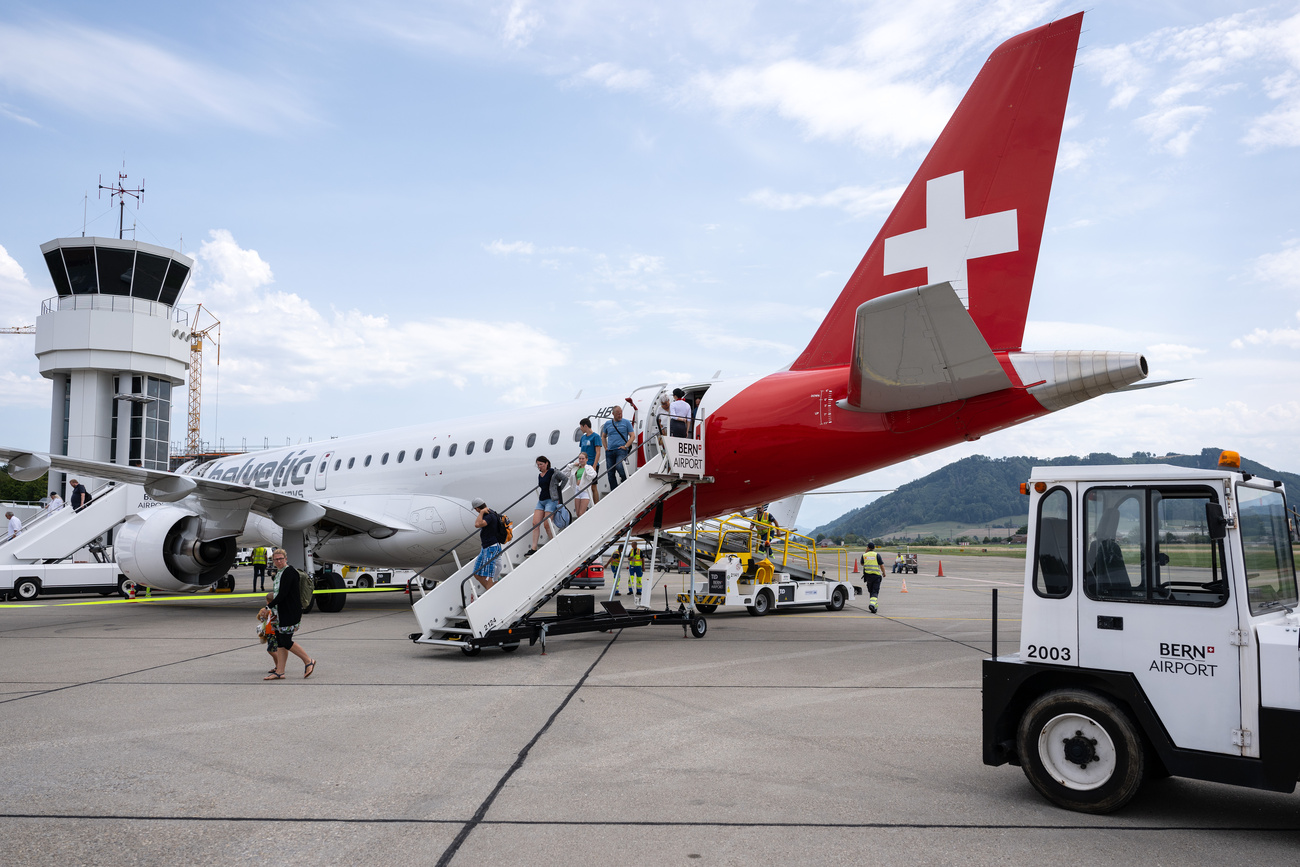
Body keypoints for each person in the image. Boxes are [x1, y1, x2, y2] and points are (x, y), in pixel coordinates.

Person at [260, 548, 316, 680]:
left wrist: (268, 606)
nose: (278, 561)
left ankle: (308, 661)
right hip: (279, 613)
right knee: (280, 641)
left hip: (290, 612)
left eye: (281, 559)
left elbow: (283, 594)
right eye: (276, 559)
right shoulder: (278, 573)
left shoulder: (290, 572)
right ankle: (280, 671)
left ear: (285, 559)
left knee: (286, 640)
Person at [527, 456, 563, 554]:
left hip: (551, 500)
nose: (539, 466)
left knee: (547, 525)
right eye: (538, 465)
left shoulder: (552, 472)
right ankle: (533, 548)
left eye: (541, 464)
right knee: (535, 523)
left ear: (546, 463)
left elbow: (564, 478)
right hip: (541, 500)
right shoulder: (540, 475)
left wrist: (558, 491)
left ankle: (553, 544)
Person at [472, 498, 505, 590]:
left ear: (478, 508)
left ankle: (491, 594)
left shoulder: (489, 516)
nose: (476, 512)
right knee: (476, 573)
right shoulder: (490, 514)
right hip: (486, 547)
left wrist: (481, 513)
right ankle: (490, 590)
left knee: (488, 575)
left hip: (491, 547)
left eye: (476, 509)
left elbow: (477, 524)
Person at [602, 406, 634, 490]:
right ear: (613, 414)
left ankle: (625, 482)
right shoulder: (608, 424)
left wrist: (626, 446)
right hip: (610, 451)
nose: (620, 415)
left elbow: (632, 436)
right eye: (618, 414)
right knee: (610, 473)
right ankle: (614, 490)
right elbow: (603, 436)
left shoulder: (626, 422)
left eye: (621, 413)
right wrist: (605, 447)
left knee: (620, 466)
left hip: (621, 450)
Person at [577, 418, 603, 504]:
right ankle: (586, 505)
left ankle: (596, 505)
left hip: (592, 464)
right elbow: (582, 452)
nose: (580, 428)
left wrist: (594, 465)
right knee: (582, 486)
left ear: (585, 426)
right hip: (583, 466)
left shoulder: (596, 437)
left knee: (593, 487)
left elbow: (598, 452)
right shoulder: (583, 438)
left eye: (581, 426)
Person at [567, 452, 597, 518]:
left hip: (585, 491)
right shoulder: (577, 468)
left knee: (581, 513)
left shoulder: (589, 468)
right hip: (577, 490)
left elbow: (593, 475)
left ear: (586, 459)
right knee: (577, 513)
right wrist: (573, 464)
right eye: (580, 458)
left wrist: (586, 467)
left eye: (583, 458)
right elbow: (565, 472)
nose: (581, 460)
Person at [862, 543, 885, 614]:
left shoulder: (864, 555)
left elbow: (862, 564)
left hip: (868, 576)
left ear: (868, 548)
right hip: (876, 576)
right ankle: (872, 604)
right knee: (875, 591)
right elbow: (881, 565)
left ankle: (874, 605)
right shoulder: (877, 555)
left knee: (871, 591)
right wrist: (883, 572)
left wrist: (866, 552)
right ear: (874, 548)